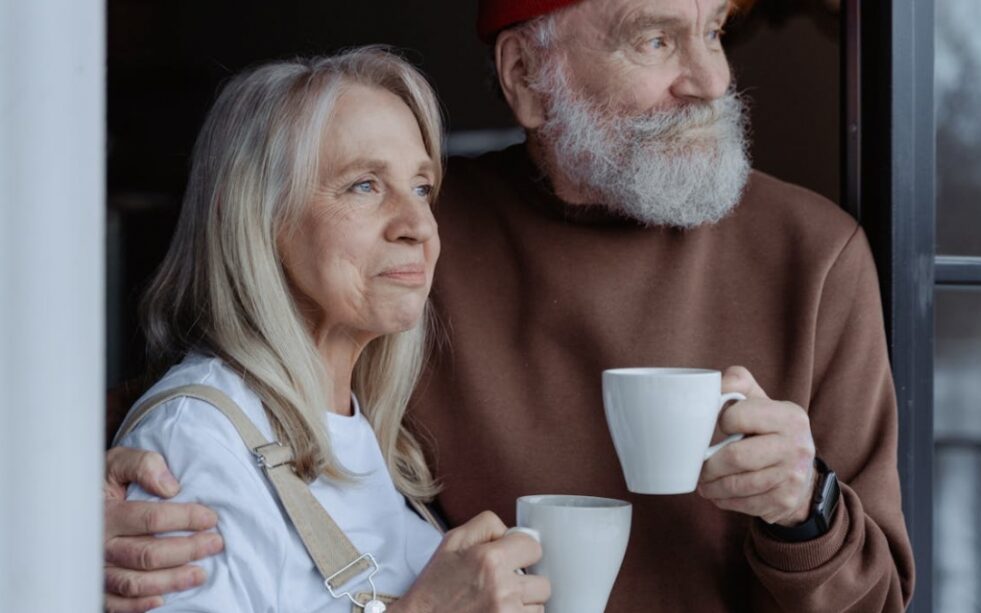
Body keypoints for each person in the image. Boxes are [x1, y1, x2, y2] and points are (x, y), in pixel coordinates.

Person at [104, 1, 916, 611]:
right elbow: (217, 401)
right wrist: (69, 507)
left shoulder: (815, 254)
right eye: (657, 38)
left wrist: (804, 509)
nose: (711, 80)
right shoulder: (410, 250)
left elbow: (880, 599)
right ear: (527, 76)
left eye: (713, 32)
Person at [105, 47, 550, 612]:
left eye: (420, 186)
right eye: (364, 185)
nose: (419, 225)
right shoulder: (194, 441)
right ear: (257, 216)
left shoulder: (365, 432)